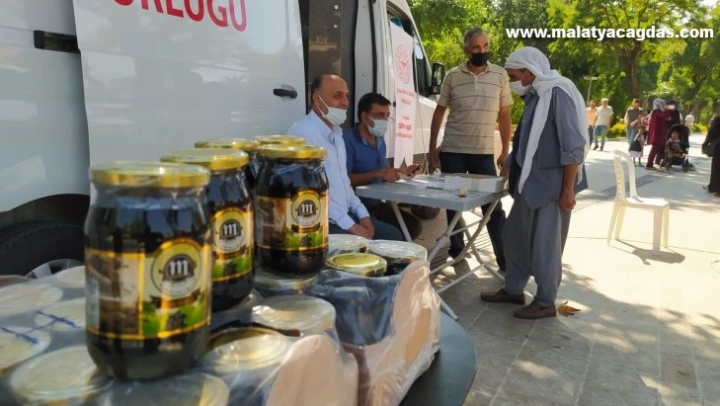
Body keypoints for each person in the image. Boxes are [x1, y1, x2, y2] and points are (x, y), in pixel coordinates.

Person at [480, 46, 588, 319]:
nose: (512, 81)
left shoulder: (558, 93)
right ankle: (513, 289)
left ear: (530, 72)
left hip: (551, 188)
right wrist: (510, 161)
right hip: (528, 185)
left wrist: (567, 190)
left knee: (545, 248)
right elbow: (528, 141)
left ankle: (545, 301)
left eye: (514, 76)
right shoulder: (536, 96)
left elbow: (573, 146)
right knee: (513, 237)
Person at [427, 27, 512, 265]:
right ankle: (457, 249)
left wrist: (505, 151)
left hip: (483, 154)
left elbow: (505, 115)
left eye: (485, 46)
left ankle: (504, 257)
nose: (481, 51)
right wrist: (432, 148)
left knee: (492, 207)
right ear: (466, 50)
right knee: (453, 204)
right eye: (476, 47)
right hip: (452, 151)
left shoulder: (500, 75)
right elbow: (439, 112)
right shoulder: (452, 76)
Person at [286, 74, 403, 241]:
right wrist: (350, 225)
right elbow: (310, 194)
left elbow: (345, 185)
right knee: (371, 248)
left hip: (345, 215)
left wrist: (363, 215)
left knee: (395, 237)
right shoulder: (303, 135)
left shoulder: (337, 134)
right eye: (337, 96)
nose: (345, 103)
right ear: (317, 100)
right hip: (320, 220)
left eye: (347, 96)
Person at [343, 92, 423, 240]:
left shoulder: (380, 141)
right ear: (364, 116)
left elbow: (384, 173)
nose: (384, 120)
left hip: (377, 204)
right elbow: (343, 180)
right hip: (354, 207)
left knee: (413, 226)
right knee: (394, 235)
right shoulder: (347, 141)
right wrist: (378, 174)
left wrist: (402, 173)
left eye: (387, 116)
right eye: (379, 115)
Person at [646, 98, 673, 170]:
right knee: (654, 150)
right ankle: (649, 165)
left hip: (659, 133)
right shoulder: (656, 111)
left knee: (655, 149)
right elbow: (665, 116)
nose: (663, 105)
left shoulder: (658, 111)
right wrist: (667, 110)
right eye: (662, 104)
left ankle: (650, 164)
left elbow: (668, 118)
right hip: (657, 134)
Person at [702, 112, 720, 196]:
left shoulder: (718, 118)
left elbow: (712, 132)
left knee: (717, 167)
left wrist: (705, 143)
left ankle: (715, 188)